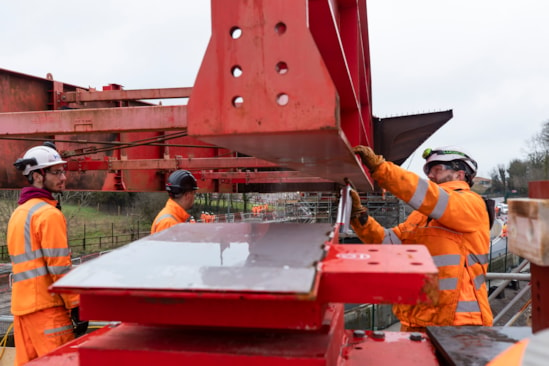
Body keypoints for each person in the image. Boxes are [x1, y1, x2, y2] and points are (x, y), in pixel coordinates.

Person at [349, 145, 493, 332]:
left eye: (437, 170)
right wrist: (359, 218)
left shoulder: (471, 203)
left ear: (460, 174)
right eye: (429, 172)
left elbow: (431, 196)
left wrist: (382, 169)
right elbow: (390, 243)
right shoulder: (421, 216)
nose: (431, 176)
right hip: (417, 321)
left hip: (459, 324)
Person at [8, 144, 87, 365]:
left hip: (23, 312)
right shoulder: (48, 214)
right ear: (37, 176)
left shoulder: (19, 213)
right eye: (56, 172)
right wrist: (76, 306)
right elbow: (59, 268)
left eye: (63, 171)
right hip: (48, 311)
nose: (63, 177)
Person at [150, 169, 199, 234]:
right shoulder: (169, 223)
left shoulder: (173, 217)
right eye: (194, 193)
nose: (194, 197)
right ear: (187, 195)